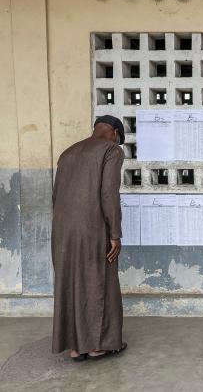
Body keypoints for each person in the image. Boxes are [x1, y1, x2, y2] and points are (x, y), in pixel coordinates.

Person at [52, 115, 128, 361]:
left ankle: (76, 347)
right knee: (99, 282)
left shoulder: (67, 153)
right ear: (114, 132)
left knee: (71, 283)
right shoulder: (111, 150)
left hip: (62, 230)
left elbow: (56, 196)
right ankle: (97, 346)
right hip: (92, 227)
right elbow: (109, 194)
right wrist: (115, 234)